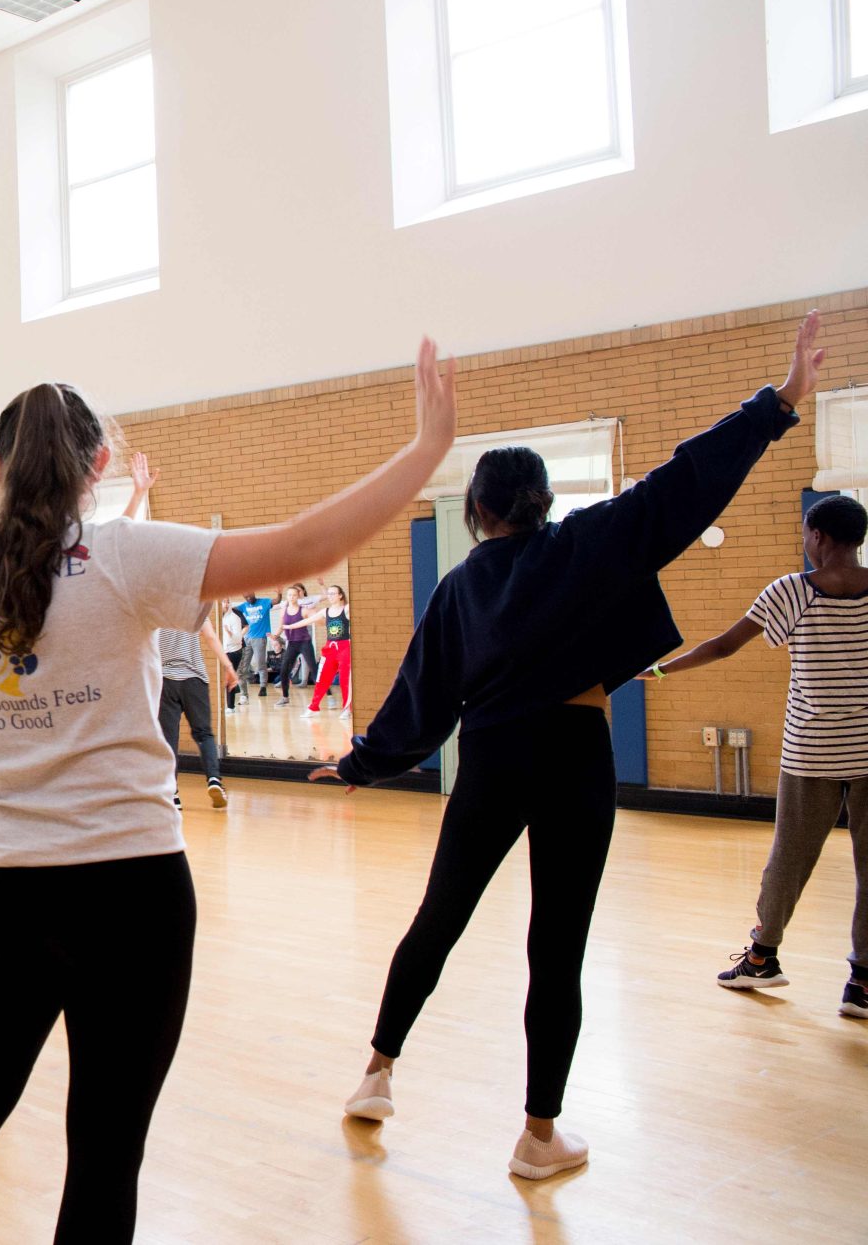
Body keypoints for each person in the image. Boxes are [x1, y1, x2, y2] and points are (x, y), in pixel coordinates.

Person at [0, 347, 456, 1243]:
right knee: (105, 1148)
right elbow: (307, 546)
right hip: (133, 897)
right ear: (98, 466)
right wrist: (426, 447)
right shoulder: (127, 554)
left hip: (5, 899)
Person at [317, 313, 821, 1184]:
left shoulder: (459, 586)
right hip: (575, 755)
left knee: (438, 916)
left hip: (494, 756)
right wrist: (775, 404)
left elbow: (420, 695)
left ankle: (377, 1072)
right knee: (557, 947)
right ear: (542, 502)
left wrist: (363, 762)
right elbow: (684, 483)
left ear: (475, 511)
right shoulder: (589, 542)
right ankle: (537, 1135)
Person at [646, 492, 868, 1019]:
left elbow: (724, 646)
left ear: (819, 537)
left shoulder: (792, 591)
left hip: (811, 750)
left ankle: (763, 958)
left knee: (788, 858)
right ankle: (861, 985)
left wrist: (658, 671)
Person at [124, 452, 236, 809]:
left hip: (166, 681)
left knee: (168, 739)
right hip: (196, 678)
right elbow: (212, 637)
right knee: (204, 733)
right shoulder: (193, 603)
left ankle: (172, 794)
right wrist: (228, 666)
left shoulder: (152, 604)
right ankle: (214, 778)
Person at [307, 585, 353, 715]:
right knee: (322, 678)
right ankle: (313, 707)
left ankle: (347, 708)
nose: (331, 596)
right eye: (329, 594)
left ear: (340, 595)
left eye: (334, 593)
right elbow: (308, 620)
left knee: (345, 680)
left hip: (344, 647)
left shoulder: (346, 609)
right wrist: (289, 626)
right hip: (330, 648)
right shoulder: (325, 611)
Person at [274, 584, 315, 705]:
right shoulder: (284, 610)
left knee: (314, 669)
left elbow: (315, 619)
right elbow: (281, 626)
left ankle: (328, 695)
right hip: (291, 643)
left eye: (294, 595)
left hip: (304, 642)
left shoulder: (303, 610)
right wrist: (275, 636)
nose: (292, 597)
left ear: (298, 596)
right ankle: (285, 697)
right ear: (287, 597)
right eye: (290, 595)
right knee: (284, 671)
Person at [239, 591, 273, 696]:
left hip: (259, 638)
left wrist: (280, 594)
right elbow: (233, 610)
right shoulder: (243, 606)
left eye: (250, 596)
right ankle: (243, 692)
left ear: (254, 594)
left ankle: (263, 687)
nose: (248, 598)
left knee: (260, 664)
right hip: (247, 638)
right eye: (246, 597)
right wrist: (241, 621)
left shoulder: (264, 602)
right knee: (244, 665)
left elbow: (277, 601)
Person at [221, 601, 248, 712]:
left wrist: (230, 633)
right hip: (223, 651)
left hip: (234, 651)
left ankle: (231, 706)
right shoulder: (217, 617)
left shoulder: (234, 617)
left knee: (230, 677)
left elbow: (238, 637)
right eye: (223, 602)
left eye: (227, 602)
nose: (225, 604)